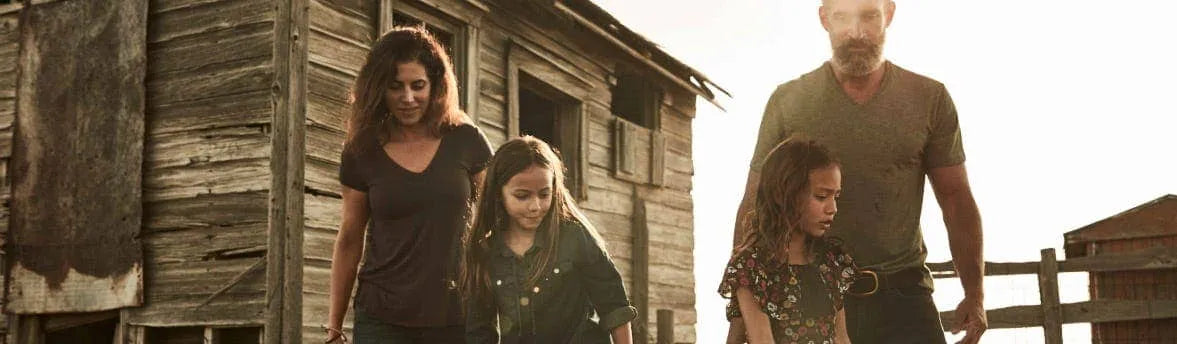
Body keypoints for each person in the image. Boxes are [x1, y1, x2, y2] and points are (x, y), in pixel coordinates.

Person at [729, 1, 987, 343]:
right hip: (809, 299)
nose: (857, 32)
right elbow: (755, 202)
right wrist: (740, 311)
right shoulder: (788, 101)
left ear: (889, 15)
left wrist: (975, 293)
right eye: (842, 17)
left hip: (903, 296)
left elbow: (955, 198)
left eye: (869, 15)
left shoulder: (929, 98)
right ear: (824, 19)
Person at [325, 26, 493, 344]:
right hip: (382, 318)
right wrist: (334, 327)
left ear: (435, 85)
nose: (407, 98)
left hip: (459, 315)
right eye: (395, 86)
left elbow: (500, 217)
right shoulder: (362, 150)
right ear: (377, 89)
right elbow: (349, 238)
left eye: (418, 86)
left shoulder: (465, 139)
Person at [459, 136, 637, 344]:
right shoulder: (485, 252)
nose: (535, 206)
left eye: (544, 194)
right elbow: (480, 332)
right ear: (499, 194)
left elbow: (615, 307)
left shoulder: (575, 237)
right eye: (522, 196)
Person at [719, 137, 858, 344]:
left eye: (835, 197)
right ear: (784, 195)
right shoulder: (751, 267)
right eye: (821, 197)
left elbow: (841, 337)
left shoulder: (831, 260)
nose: (832, 208)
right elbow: (762, 340)